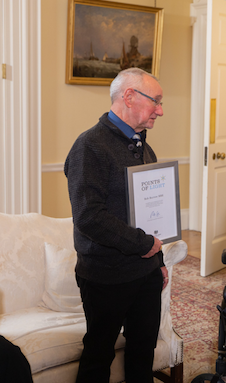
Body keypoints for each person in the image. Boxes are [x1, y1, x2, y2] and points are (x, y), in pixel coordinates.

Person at [64, 67, 167, 383]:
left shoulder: (142, 146)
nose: (160, 111)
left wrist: (158, 261)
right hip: (106, 276)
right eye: (157, 101)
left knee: (142, 354)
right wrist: (143, 244)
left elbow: (150, 216)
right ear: (130, 96)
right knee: (99, 357)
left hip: (145, 272)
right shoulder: (90, 146)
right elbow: (89, 217)